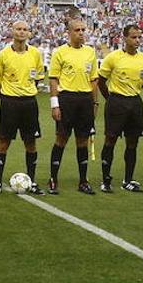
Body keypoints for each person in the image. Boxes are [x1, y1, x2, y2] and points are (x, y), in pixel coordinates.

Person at [0, 20, 45, 195]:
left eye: (25, 30)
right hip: (10, 104)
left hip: (29, 103)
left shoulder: (35, 54)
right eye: (18, 29)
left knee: (30, 142)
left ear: (29, 33)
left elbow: (38, 78)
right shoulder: (4, 54)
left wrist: (29, 90)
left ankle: (32, 182)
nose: (21, 32)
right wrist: (5, 97)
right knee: (3, 142)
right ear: (12, 32)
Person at [47, 17, 99, 195]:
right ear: (69, 33)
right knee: (61, 138)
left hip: (85, 99)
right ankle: (53, 179)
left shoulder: (90, 52)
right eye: (77, 30)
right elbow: (53, 79)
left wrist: (95, 102)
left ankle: (83, 181)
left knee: (82, 140)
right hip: (66, 98)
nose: (81, 33)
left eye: (83, 30)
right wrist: (55, 104)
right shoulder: (60, 52)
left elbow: (94, 79)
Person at [98, 24, 143, 193]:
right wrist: (110, 99)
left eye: (139, 37)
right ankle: (106, 180)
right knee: (110, 140)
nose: (137, 40)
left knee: (133, 142)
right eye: (133, 37)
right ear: (124, 38)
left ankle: (128, 180)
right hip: (117, 102)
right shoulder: (113, 57)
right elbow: (100, 80)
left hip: (135, 103)